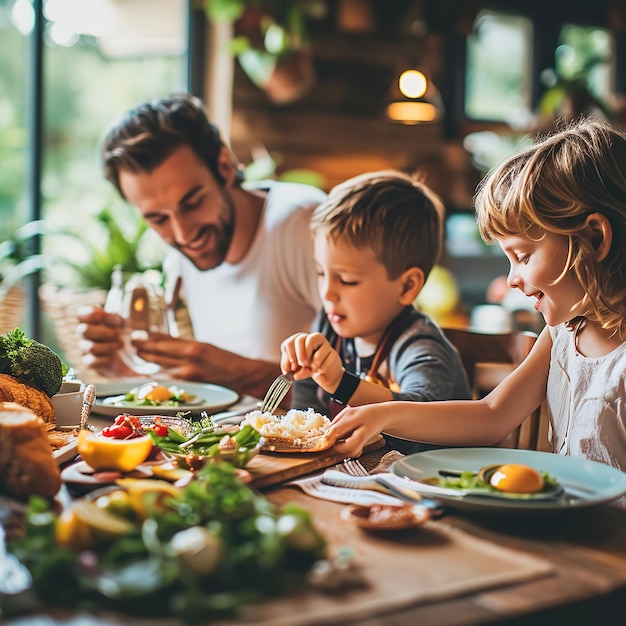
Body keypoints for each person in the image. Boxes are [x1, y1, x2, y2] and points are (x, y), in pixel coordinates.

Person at [328, 118, 626, 481]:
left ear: (595, 237)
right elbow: (491, 415)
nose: (511, 279)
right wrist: (384, 414)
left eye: (524, 256)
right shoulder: (564, 333)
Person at [77, 94, 326, 398]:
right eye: (158, 219)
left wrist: (245, 377)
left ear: (224, 166)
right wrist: (126, 371)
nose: (182, 234)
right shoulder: (182, 256)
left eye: (193, 203)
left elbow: (377, 385)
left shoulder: (302, 225)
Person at [279, 170, 471, 454]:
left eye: (347, 280)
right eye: (321, 273)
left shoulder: (420, 345)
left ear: (407, 286)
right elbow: (308, 412)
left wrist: (340, 384)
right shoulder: (330, 325)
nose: (327, 292)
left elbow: (422, 420)